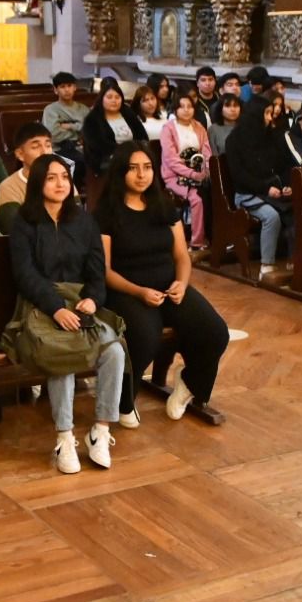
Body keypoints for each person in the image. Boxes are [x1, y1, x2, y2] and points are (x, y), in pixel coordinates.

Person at [8, 155, 128, 473]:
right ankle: (64, 436)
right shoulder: (23, 222)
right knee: (62, 352)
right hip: (40, 304)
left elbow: (96, 272)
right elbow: (24, 274)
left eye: (65, 176)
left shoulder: (84, 221)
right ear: (37, 183)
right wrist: (56, 308)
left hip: (79, 303)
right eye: (51, 178)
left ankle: (100, 431)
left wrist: (92, 299)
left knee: (114, 350)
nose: (61, 183)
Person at [96, 145, 230, 421]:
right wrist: (139, 291)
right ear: (120, 172)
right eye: (133, 169)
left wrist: (181, 283)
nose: (141, 175)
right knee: (146, 335)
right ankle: (124, 400)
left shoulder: (164, 207)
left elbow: (182, 256)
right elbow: (105, 270)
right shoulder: (106, 213)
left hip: (169, 287)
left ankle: (190, 384)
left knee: (215, 331)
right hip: (126, 290)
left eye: (146, 167)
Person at [225, 94, 294, 278]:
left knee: (297, 211)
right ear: (255, 114)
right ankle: (267, 265)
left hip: (273, 191)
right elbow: (239, 175)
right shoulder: (235, 140)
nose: (271, 118)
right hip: (247, 194)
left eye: (271, 113)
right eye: (267, 113)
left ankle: (294, 261)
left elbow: (284, 164)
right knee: (271, 217)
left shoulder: (271, 135)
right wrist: (265, 188)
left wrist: (286, 184)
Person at [161, 90, 213, 249]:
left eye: (189, 106)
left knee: (214, 194)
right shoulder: (168, 129)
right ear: (175, 109)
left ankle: (213, 236)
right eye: (182, 106)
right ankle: (196, 242)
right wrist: (191, 173)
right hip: (175, 175)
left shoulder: (199, 127)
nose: (186, 110)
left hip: (199, 172)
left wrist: (204, 171)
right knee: (196, 199)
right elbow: (171, 159)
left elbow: (207, 152)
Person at [81, 79, 148, 177]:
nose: (114, 100)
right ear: (102, 98)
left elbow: (142, 136)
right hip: (105, 159)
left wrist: (136, 151)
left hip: (133, 154)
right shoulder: (93, 118)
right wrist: (124, 152)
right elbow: (98, 145)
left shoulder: (128, 113)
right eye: (109, 97)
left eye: (117, 97)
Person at [0, 123, 55, 234]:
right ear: (20, 154)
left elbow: (76, 223)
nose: (44, 152)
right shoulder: (8, 187)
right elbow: (12, 229)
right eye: (35, 147)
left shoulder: (63, 180)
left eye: (48, 145)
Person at [43, 72, 91, 173]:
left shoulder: (83, 109)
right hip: (59, 149)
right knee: (79, 162)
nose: (67, 90)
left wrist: (69, 126)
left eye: (69, 86)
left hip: (82, 147)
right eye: (62, 87)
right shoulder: (51, 110)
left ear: (75, 87)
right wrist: (78, 131)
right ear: (56, 90)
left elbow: (90, 131)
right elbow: (54, 135)